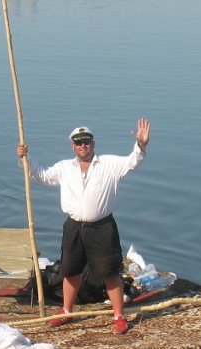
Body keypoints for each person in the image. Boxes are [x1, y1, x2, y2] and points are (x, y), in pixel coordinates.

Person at [16, 118, 151, 334]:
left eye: (86, 141)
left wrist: (141, 145)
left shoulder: (109, 164)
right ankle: (66, 311)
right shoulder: (64, 168)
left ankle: (119, 317)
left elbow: (133, 161)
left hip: (102, 228)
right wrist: (25, 158)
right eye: (78, 142)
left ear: (93, 143)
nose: (83, 145)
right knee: (70, 270)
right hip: (74, 228)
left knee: (109, 272)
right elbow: (40, 175)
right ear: (73, 146)